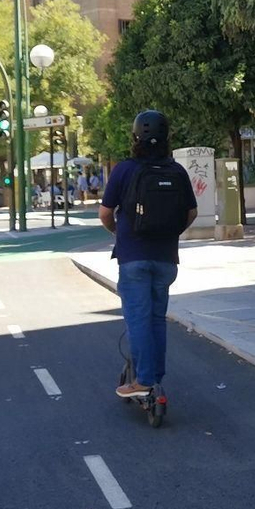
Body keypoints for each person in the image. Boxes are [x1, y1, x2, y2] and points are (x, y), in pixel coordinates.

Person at [100, 110, 198, 398]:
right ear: (167, 138)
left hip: (134, 257)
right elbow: (191, 212)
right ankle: (155, 377)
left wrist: (118, 232)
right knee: (156, 319)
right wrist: (170, 233)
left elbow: (105, 213)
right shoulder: (177, 171)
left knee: (138, 320)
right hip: (166, 258)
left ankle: (143, 381)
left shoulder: (124, 170)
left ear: (135, 138)